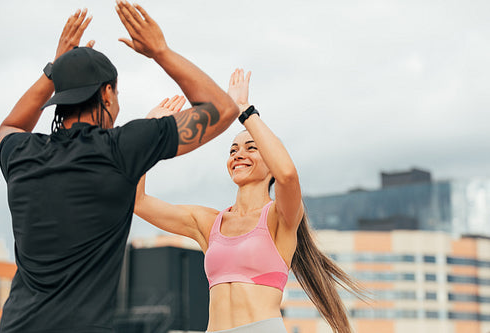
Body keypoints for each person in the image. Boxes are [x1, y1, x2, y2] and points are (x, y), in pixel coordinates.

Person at [0, 2, 238, 332]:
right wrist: (160, 51)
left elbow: (9, 126)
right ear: (107, 94)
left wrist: (55, 69)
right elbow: (223, 109)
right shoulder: (122, 149)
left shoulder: (21, 154)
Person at [135, 69, 363, 333]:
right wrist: (148, 132)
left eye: (251, 147)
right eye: (233, 150)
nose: (239, 154)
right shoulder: (209, 223)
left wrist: (244, 111)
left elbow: (288, 175)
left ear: (270, 163)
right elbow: (138, 201)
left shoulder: (281, 218)